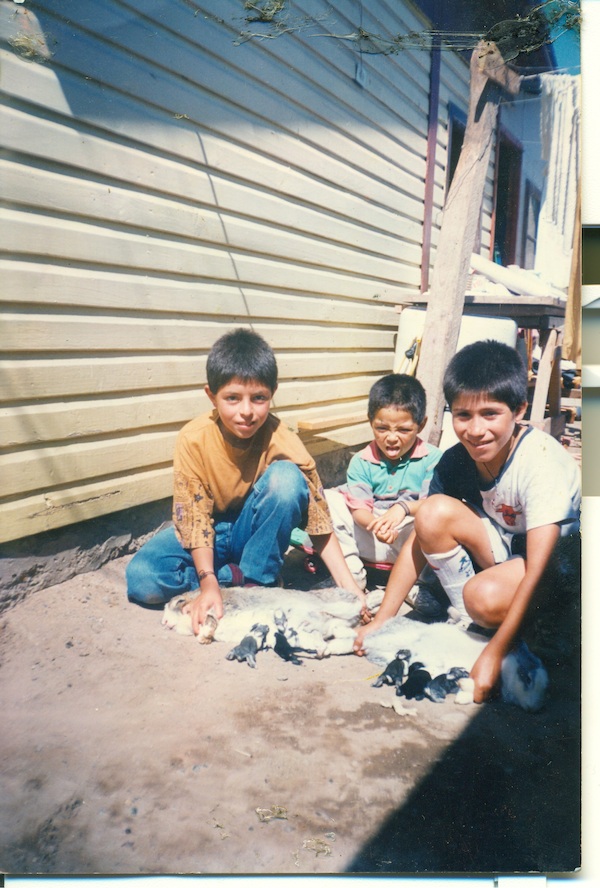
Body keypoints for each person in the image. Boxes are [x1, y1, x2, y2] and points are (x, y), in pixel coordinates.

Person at [354, 339, 581, 704]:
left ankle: (533, 627)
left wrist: (494, 653)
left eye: (490, 414)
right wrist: (384, 617)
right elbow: (422, 534)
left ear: (519, 409)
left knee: (483, 596)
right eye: (463, 415)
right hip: (508, 552)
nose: (475, 430)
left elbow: (542, 566)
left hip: (562, 566)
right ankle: (472, 620)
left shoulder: (540, 463)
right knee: (430, 511)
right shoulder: (457, 459)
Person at [126, 327, 368, 634]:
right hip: (207, 531)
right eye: (232, 398)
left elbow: (319, 523)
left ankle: (257, 579)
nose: (246, 412)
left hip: (252, 530)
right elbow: (195, 520)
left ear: (272, 394)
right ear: (211, 396)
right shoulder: (193, 438)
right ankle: (233, 578)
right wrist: (208, 582)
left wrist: (351, 591)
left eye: (258, 398)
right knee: (143, 579)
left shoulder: (284, 440)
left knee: (286, 479)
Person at [324, 374, 441, 590]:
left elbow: (434, 505)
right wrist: (376, 526)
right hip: (372, 533)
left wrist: (403, 509)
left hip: (409, 538)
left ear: (421, 424)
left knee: (435, 520)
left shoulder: (432, 459)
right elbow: (360, 510)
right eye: (382, 428)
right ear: (370, 422)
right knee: (328, 499)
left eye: (404, 430)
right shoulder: (361, 461)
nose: (392, 438)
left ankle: (416, 586)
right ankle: (351, 578)